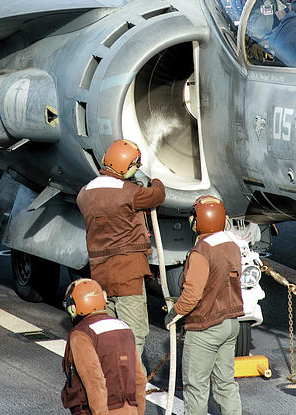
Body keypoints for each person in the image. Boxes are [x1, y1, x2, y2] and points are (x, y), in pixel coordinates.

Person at [76, 139, 165, 358]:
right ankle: (130, 383)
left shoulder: (84, 193)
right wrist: (155, 180)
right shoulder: (130, 192)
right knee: (133, 334)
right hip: (128, 273)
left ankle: (111, 378)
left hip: (99, 273)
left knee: (109, 333)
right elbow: (157, 196)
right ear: (126, 167)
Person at [165, 196, 244, 415]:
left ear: (197, 221)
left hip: (205, 328)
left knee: (196, 388)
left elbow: (192, 294)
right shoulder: (232, 245)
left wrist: (175, 313)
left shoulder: (201, 251)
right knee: (226, 384)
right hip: (230, 323)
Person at [61, 278, 147, 415]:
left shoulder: (81, 334)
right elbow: (140, 379)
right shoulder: (124, 328)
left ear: (74, 308)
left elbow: (95, 382)